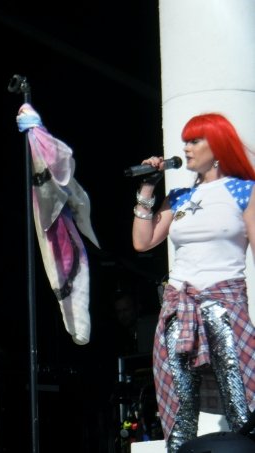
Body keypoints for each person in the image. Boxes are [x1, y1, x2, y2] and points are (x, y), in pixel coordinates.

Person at [131, 112, 255, 452]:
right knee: (180, 410)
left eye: (195, 140)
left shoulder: (244, 191)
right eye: (185, 141)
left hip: (225, 307)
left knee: (241, 406)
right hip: (179, 308)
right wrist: (147, 187)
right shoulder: (179, 196)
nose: (186, 147)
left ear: (218, 146)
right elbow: (143, 242)